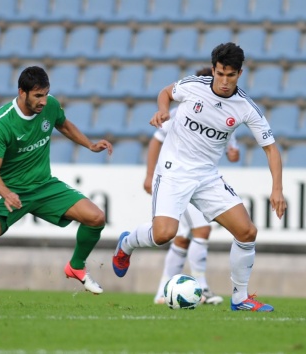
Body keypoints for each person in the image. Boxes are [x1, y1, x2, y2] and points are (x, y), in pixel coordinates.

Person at [113, 43, 286, 312]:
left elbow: (271, 149)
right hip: (173, 170)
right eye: (220, 74)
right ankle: (126, 243)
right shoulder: (194, 85)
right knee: (163, 235)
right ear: (213, 69)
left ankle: (240, 298)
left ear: (240, 73)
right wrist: (162, 110)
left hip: (206, 175)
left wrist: (277, 189)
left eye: (231, 75)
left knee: (247, 231)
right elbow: (165, 92)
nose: (225, 81)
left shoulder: (246, 108)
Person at [0, 66, 113, 304]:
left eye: (46, 94)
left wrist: (90, 145)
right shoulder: (2, 123)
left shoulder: (50, 106)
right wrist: (6, 193)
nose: (44, 101)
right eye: (38, 95)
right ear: (22, 93)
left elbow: (64, 125)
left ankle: (76, 266)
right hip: (10, 190)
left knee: (96, 217)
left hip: (43, 186)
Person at [146, 107, 240, 305]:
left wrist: (233, 154)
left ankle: (162, 292)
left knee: (182, 238)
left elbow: (231, 151)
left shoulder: (226, 117)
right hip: (178, 179)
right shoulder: (184, 111)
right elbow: (157, 139)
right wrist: (149, 175)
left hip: (202, 182)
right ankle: (202, 285)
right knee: (201, 230)